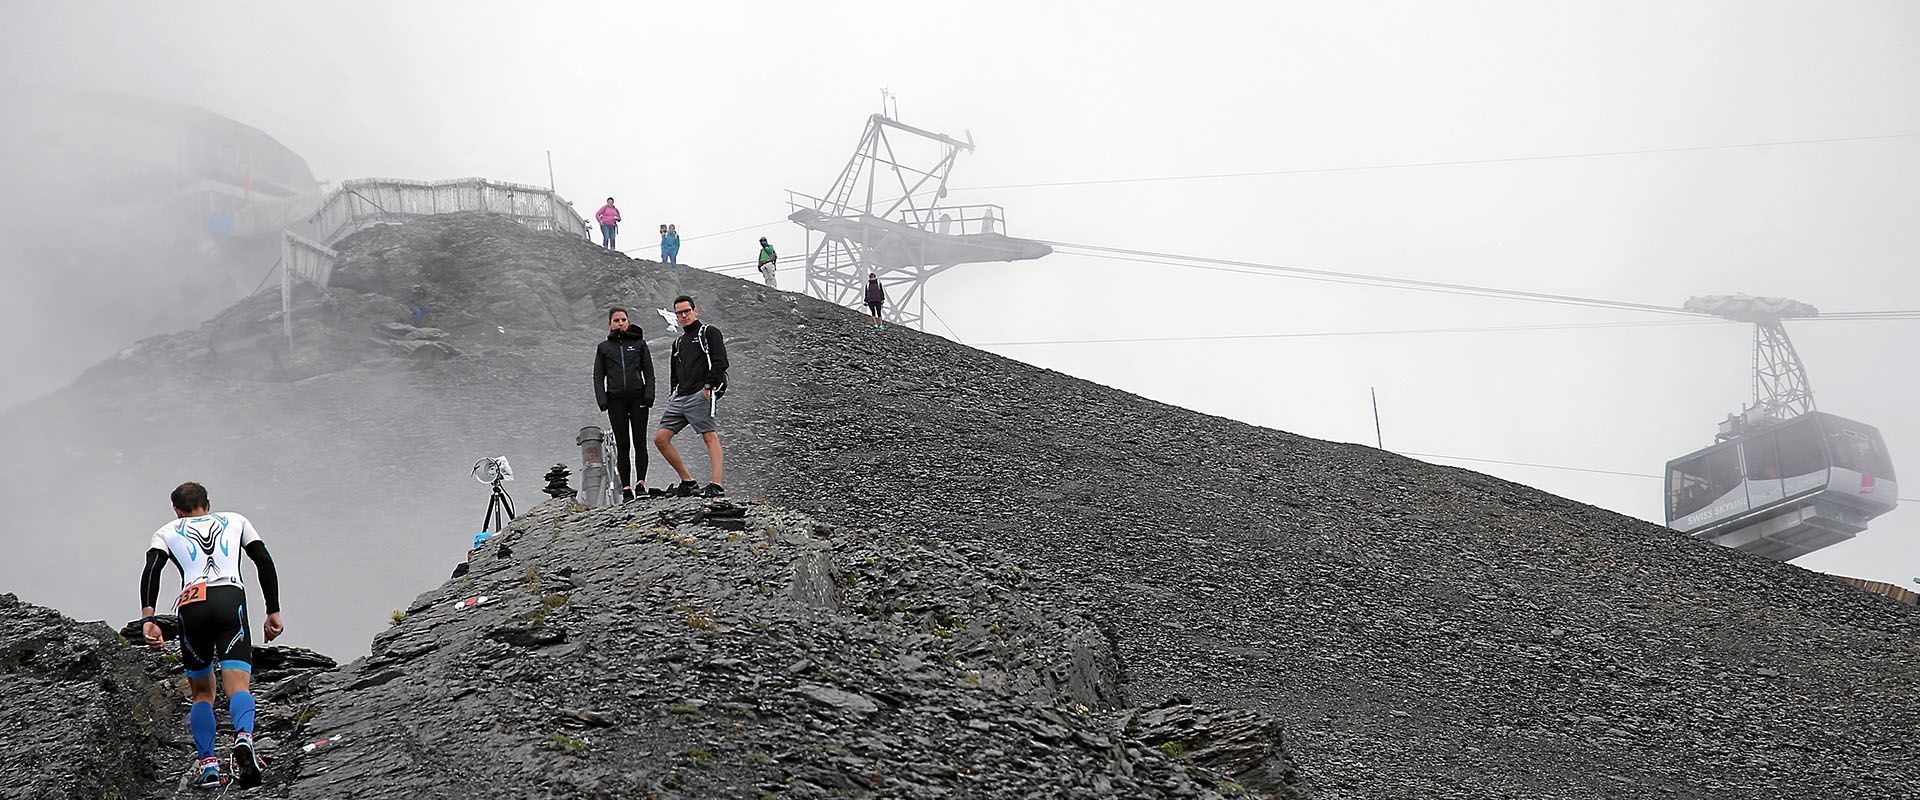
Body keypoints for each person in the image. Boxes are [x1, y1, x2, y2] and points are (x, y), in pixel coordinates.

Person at [138, 482, 284, 789]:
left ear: (177, 511)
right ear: (209, 503)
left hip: (192, 605)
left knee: (202, 693)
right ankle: (244, 739)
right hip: (230, 599)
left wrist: (149, 619)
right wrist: (273, 611)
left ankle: (208, 766)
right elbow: (264, 561)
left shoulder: (166, 531)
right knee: (238, 685)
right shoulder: (236, 520)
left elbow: (152, 570)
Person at [654, 295, 729, 497]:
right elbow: (674, 370)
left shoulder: (709, 332)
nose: (684, 315)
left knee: (709, 436)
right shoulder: (678, 342)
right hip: (681, 396)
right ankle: (688, 481)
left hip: (701, 393)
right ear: (676, 316)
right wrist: (673, 392)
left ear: (696, 311)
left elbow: (721, 362)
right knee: (661, 438)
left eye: (687, 311)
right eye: (679, 313)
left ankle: (717, 485)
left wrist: (708, 386)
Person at [593, 308, 655, 501]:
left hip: (638, 399)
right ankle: (627, 488)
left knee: (639, 442)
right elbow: (598, 376)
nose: (621, 323)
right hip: (615, 401)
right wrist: (603, 401)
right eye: (616, 320)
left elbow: (649, 372)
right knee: (623, 445)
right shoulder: (604, 347)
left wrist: (649, 396)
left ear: (628, 322)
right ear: (610, 324)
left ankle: (641, 484)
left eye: (624, 320)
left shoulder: (639, 343)